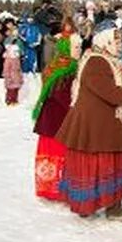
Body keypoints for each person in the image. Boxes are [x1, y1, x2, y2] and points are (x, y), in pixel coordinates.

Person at [56, 20, 122, 217]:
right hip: (96, 123)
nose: (119, 44)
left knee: (111, 162)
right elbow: (105, 88)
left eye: (120, 41)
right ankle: (89, 205)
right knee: (98, 162)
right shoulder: (96, 60)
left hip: (107, 122)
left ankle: (113, 204)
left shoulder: (110, 60)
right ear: (105, 40)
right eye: (115, 40)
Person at [32, 36, 77, 201]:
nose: (78, 49)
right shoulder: (65, 69)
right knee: (56, 153)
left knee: (52, 154)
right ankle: (53, 189)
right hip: (58, 117)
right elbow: (62, 94)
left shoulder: (56, 65)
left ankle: (50, 187)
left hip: (51, 117)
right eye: (75, 46)